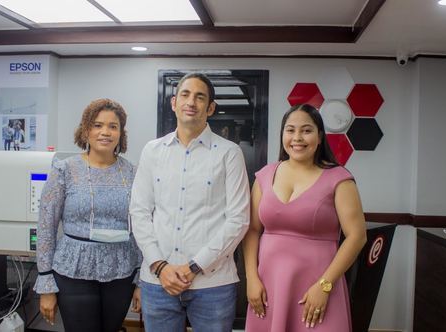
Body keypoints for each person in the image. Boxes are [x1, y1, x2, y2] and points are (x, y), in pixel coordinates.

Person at [130, 72, 250, 332]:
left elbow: (238, 219)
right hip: (157, 281)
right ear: (174, 103)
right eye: (185, 94)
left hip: (213, 285)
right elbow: (139, 213)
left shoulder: (229, 154)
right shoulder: (152, 151)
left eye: (199, 97)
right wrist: (160, 267)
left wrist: (194, 266)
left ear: (210, 108)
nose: (191, 102)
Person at [243, 103, 367, 331]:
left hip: (319, 284)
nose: (297, 137)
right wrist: (251, 278)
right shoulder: (264, 175)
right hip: (269, 285)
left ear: (319, 137)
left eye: (306, 130)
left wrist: (325, 286)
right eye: (290, 130)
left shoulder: (340, 179)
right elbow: (252, 230)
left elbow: (357, 236)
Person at [34, 99, 142, 332]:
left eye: (113, 126)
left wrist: (141, 279)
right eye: (97, 125)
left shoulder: (133, 173)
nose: (105, 132)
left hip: (121, 271)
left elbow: (144, 226)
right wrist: (45, 284)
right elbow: (46, 228)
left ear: (121, 133)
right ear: (86, 130)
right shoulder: (65, 170)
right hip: (73, 271)